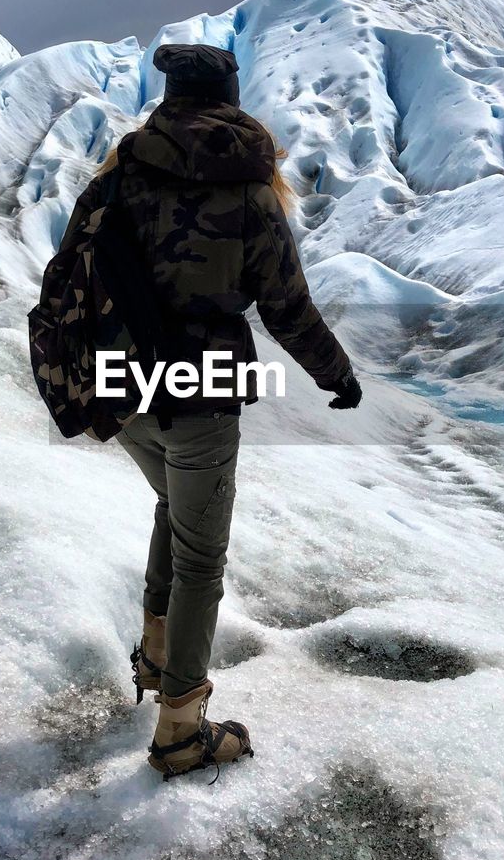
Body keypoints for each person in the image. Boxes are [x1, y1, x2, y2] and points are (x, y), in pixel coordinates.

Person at [54, 43, 362, 780]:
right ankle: (181, 732)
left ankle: (159, 656)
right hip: (201, 397)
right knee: (201, 559)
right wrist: (337, 373)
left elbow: (69, 274)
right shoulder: (251, 191)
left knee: (175, 508)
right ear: (230, 98)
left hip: (122, 390)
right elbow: (287, 308)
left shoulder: (119, 175)